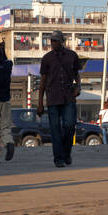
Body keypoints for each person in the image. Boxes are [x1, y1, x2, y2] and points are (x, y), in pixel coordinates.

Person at [36, 31, 80, 168]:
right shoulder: (46, 58)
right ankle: (58, 158)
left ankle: (66, 153)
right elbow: (42, 82)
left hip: (68, 96)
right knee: (55, 129)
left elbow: (77, 74)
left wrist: (78, 87)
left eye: (56, 41)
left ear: (62, 41)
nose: (53, 43)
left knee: (69, 125)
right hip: (53, 98)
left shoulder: (72, 56)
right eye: (52, 41)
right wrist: (40, 103)